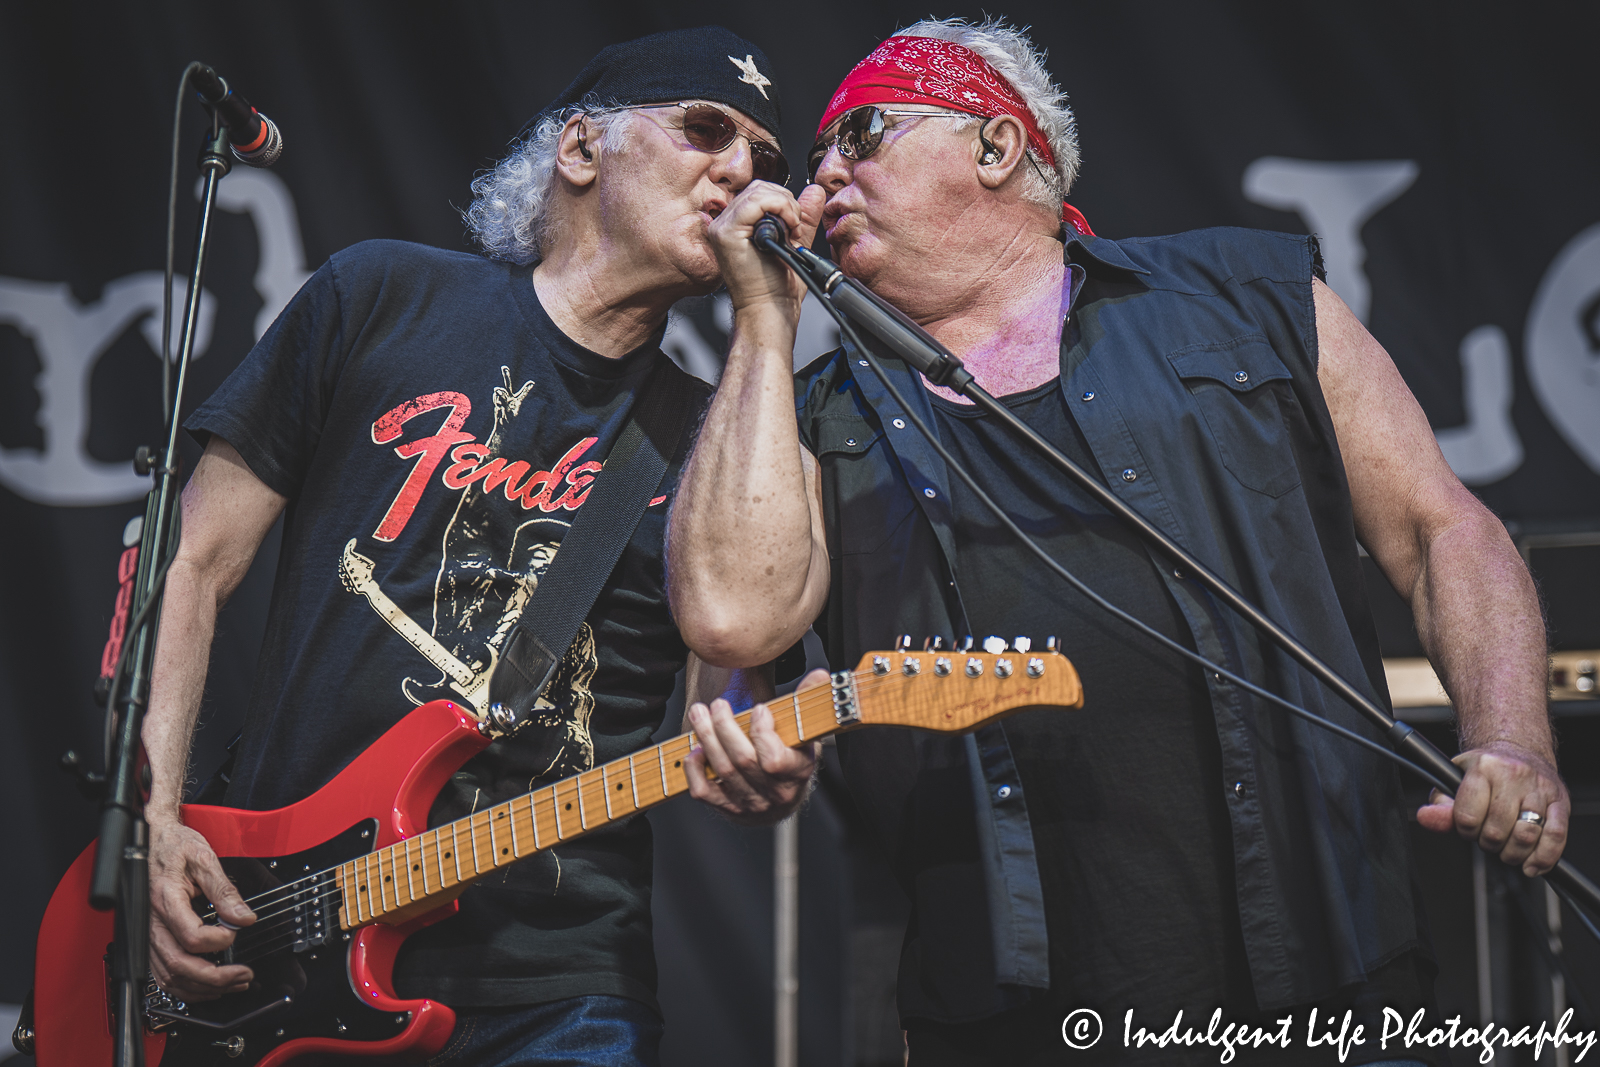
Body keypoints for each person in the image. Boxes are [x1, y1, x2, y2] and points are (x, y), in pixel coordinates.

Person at [668, 16, 1570, 1065]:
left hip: (1329, 963)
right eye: (816, 158)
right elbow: (730, 635)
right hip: (1006, 1007)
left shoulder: (1247, 297)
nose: (819, 179)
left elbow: (1441, 528)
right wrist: (763, 321)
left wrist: (1513, 737)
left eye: (858, 135)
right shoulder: (811, 412)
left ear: (997, 147)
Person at [142, 26, 814, 1065]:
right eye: (705, 128)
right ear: (581, 150)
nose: (741, 169)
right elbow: (189, 562)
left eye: (768, 161)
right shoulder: (379, 299)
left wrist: (767, 325)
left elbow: (733, 666)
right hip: (270, 930)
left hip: (558, 985)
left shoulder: (726, 433)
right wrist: (152, 815)